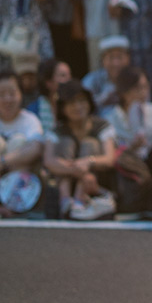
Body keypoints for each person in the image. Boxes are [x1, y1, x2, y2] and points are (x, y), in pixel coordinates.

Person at [48, 79, 117, 219]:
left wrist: (88, 161)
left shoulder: (102, 125)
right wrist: (76, 169)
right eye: (72, 103)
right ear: (63, 108)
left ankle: (80, 198)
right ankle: (65, 200)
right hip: (68, 178)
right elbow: (48, 161)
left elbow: (110, 158)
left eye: (81, 101)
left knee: (89, 143)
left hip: (95, 181)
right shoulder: (57, 130)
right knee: (66, 143)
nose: (78, 106)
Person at [0, 72, 45, 207]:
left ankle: (14, 202)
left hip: (21, 178)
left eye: (12, 93)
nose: (7, 99)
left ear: (21, 94)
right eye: (1, 94)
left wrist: (2, 162)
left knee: (18, 141)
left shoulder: (30, 120)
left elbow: (36, 147)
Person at [82, 34, 132, 111]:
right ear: (102, 60)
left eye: (119, 57)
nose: (115, 63)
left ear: (128, 59)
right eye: (111, 57)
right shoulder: (92, 80)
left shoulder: (135, 78)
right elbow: (84, 103)